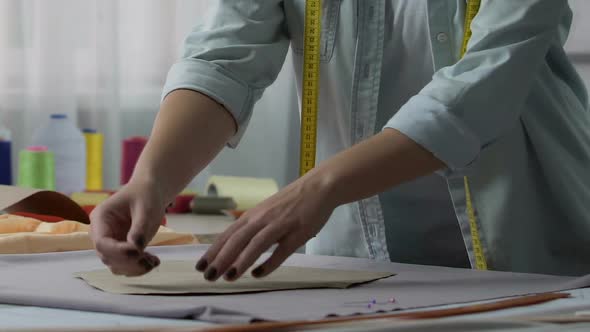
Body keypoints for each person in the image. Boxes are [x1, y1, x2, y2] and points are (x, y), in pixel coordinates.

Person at [90, 0, 590, 279]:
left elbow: (479, 90)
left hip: (524, 246)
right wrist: (153, 179)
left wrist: (320, 186)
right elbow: (225, 57)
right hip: (354, 261)